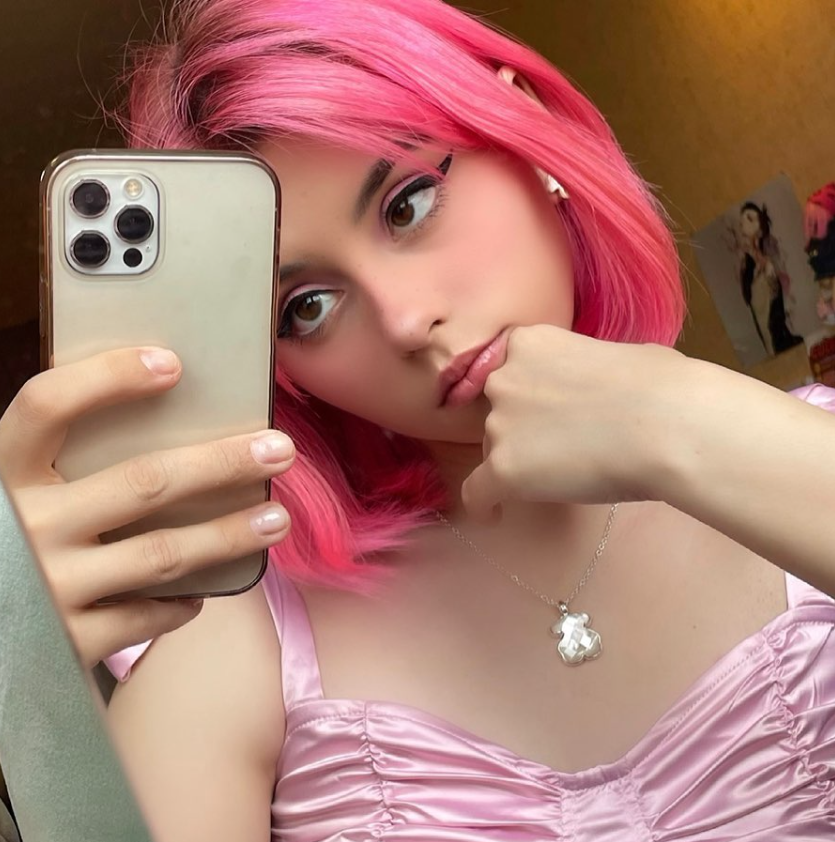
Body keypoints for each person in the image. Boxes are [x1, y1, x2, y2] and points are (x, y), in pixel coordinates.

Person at [1, 0, 835, 838]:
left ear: (522, 122)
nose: (404, 320)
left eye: (407, 204)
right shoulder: (238, 628)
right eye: (306, 307)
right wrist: (20, 674)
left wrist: (679, 421)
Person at [737, 202, 804, 356]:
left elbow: (774, 274)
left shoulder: (766, 249)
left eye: (750, 219)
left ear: (760, 227)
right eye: (742, 220)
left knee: (774, 321)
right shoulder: (745, 257)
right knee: (767, 327)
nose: (744, 224)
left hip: (768, 294)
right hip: (759, 296)